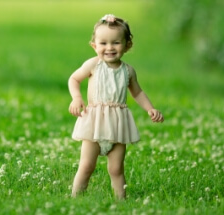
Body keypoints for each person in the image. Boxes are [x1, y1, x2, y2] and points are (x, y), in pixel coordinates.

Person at [68, 14, 164, 199]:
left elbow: (137, 92)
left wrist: (150, 108)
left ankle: (122, 201)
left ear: (127, 45)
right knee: (87, 165)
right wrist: (76, 97)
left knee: (116, 168)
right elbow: (74, 78)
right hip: (94, 122)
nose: (109, 48)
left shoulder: (128, 71)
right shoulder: (93, 65)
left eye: (116, 43)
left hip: (118, 124)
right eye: (103, 43)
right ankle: (76, 199)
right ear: (94, 46)